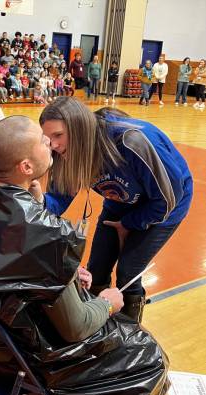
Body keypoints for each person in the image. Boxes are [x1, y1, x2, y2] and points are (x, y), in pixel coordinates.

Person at [0, 115, 170, 395]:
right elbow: (76, 327)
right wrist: (109, 302)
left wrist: (65, 276)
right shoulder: (49, 236)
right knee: (150, 359)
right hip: (19, 358)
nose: (52, 145)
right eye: (44, 142)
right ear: (26, 167)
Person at [39, 97, 193, 322]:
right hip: (121, 201)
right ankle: (98, 325)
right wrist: (35, 202)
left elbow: (167, 199)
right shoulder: (65, 151)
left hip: (165, 206)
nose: (53, 145)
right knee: (97, 267)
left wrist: (130, 224)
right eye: (48, 138)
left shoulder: (132, 141)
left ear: (79, 129)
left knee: (128, 270)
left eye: (58, 135)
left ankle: (131, 333)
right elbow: (58, 197)